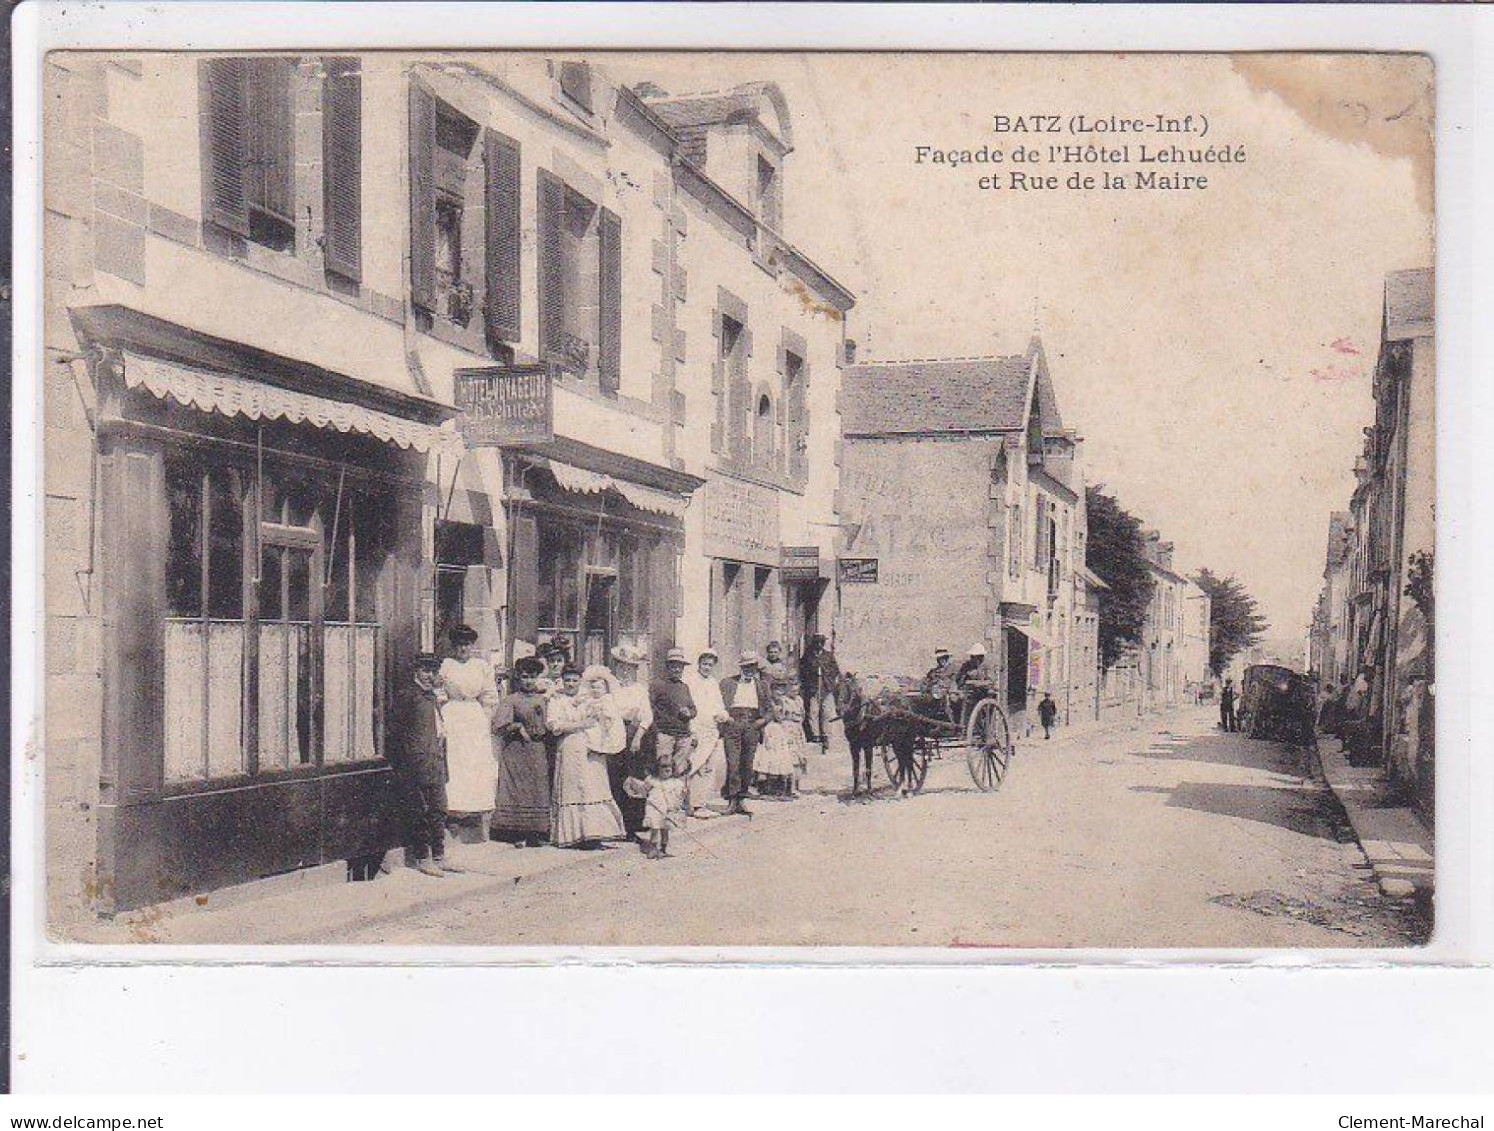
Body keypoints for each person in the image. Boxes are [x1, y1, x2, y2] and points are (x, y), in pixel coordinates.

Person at [395, 653, 463, 877]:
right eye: (425, 670)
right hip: (416, 763)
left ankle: (439, 856)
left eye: (433, 671)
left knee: (439, 809)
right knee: (420, 811)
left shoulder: (431, 697)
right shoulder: (408, 696)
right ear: (416, 671)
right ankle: (423, 857)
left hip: (435, 761)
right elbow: (398, 733)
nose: (429, 676)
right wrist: (407, 761)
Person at [546, 665, 626, 848]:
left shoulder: (588, 699)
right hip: (569, 747)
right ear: (563, 681)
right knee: (573, 789)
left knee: (594, 787)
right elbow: (554, 726)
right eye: (568, 680)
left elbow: (604, 717)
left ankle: (593, 833)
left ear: (580, 682)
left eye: (575, 680)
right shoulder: (556, 701)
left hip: (592, 748)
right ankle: (573, 835)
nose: (571, 684)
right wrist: (582, 724)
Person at [438, 625, 499, 842]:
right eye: (459, 644)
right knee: (455, 763)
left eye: (467, 644)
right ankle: (453, 813)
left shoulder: (481, 667)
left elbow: (490, 696)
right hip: (453, 715)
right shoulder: (446, 665)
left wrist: (485, 720)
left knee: (474, 763)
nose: (463, 648)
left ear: (473, 646)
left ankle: (473, 817)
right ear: (453, 646)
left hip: (474, 716)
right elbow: (439, 692)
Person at [491, 655, 551, 846]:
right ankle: (517, 833)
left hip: (537, 748)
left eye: (532, 677)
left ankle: (535, 832)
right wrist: (517, 727)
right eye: (525, 677)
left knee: (537, 788)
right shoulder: (511, 700)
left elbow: (551, 722)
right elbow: (498, 726)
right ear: (518, 678)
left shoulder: (543, 699)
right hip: (516, 749)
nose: (529, 681)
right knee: (519, 788)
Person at [642, 648, 697, 857]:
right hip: (665, 734)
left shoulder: (684, 687)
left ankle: (671, 827)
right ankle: (655, 828)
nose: (676, 669)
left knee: (678, 777)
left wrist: (689, 713)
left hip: (683, 735)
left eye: (680, 666)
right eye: (673, 666)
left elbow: (694, 709)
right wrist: (656, 730)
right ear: (667, 667)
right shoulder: (658, 685)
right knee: (661, 776)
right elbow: (651, 710)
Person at [721, 652, 776, 817]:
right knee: (733, 762)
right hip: (733, 724)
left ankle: (742, 799)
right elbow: (718, 703)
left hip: (752, 725)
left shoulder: (762, 686)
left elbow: (770, 710)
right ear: (741, 667)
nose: (749, 670)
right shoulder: (728, 683)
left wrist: (762, 721)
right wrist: (727, 718)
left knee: (747, 764)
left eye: (753, 666)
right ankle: (732, 799)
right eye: (746, 666)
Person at [608, 644, 654, 837]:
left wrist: (637, 737)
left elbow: (647, 716)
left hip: (632, 733)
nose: (625, 671)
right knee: (614, 778)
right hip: (611, 733)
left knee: (634, 778)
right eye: (621, 666)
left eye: (630, 668)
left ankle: (633, 823)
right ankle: (615, 824)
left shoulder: (639, 690)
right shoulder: (610, 687)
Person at [684, 649, 729, 816]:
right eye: (704, 664)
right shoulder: (690, 681)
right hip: (696, 729)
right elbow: (689, 706)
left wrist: (722, 715)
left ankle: (700, 803)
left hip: (711, 730)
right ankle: (688, 804)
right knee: (694, 765)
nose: (707, 668)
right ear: (699, 663)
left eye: (710, 665)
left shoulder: (713, 683)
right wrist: (691, 729)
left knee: (709, 767)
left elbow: (719, 705)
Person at [757, 641, 805, 798]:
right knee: (775, 757)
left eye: (776, 652)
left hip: (790, 729)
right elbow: (777, 714)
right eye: (770, 652)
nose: (773, 654)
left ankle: (790, 787)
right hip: (776, 728)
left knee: (792, 756)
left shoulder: (792, 697)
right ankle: (772, 787)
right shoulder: (763, 668)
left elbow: (801, 715)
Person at [798, 633, 841, 746]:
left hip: (826, 687)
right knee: (814, 711)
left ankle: (826, 734)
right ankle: (815, 735)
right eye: (816, 643)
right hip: (813, 687)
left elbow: (835, 670)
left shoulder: (829, 656)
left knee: (826, 711)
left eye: (821, 643)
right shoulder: (808, 656)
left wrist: (829, 679)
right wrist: (807, 681)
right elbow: (802, 670)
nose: (819, 645)